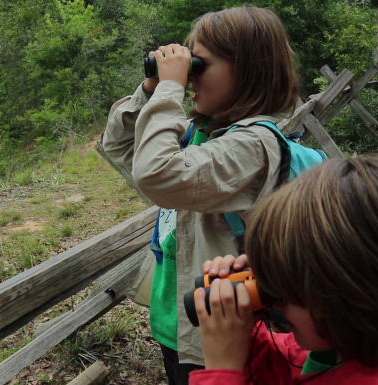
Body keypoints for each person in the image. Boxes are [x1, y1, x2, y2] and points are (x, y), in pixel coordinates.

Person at [101, 6, 300, 384]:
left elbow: (155, 172)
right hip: (177, 322)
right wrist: (150, 90)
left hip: (226, 336)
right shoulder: (201, 134)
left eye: (199, 66)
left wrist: (170, 89)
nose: (190, 78)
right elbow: (118, 147)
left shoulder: (254, 146)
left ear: (246, 70)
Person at [192, 156, 378, 384]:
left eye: (287, 291)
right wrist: (242, 326)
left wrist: (222, 371)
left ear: (353, 294)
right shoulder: (344, 348)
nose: (277, 305)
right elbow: (284, 366)